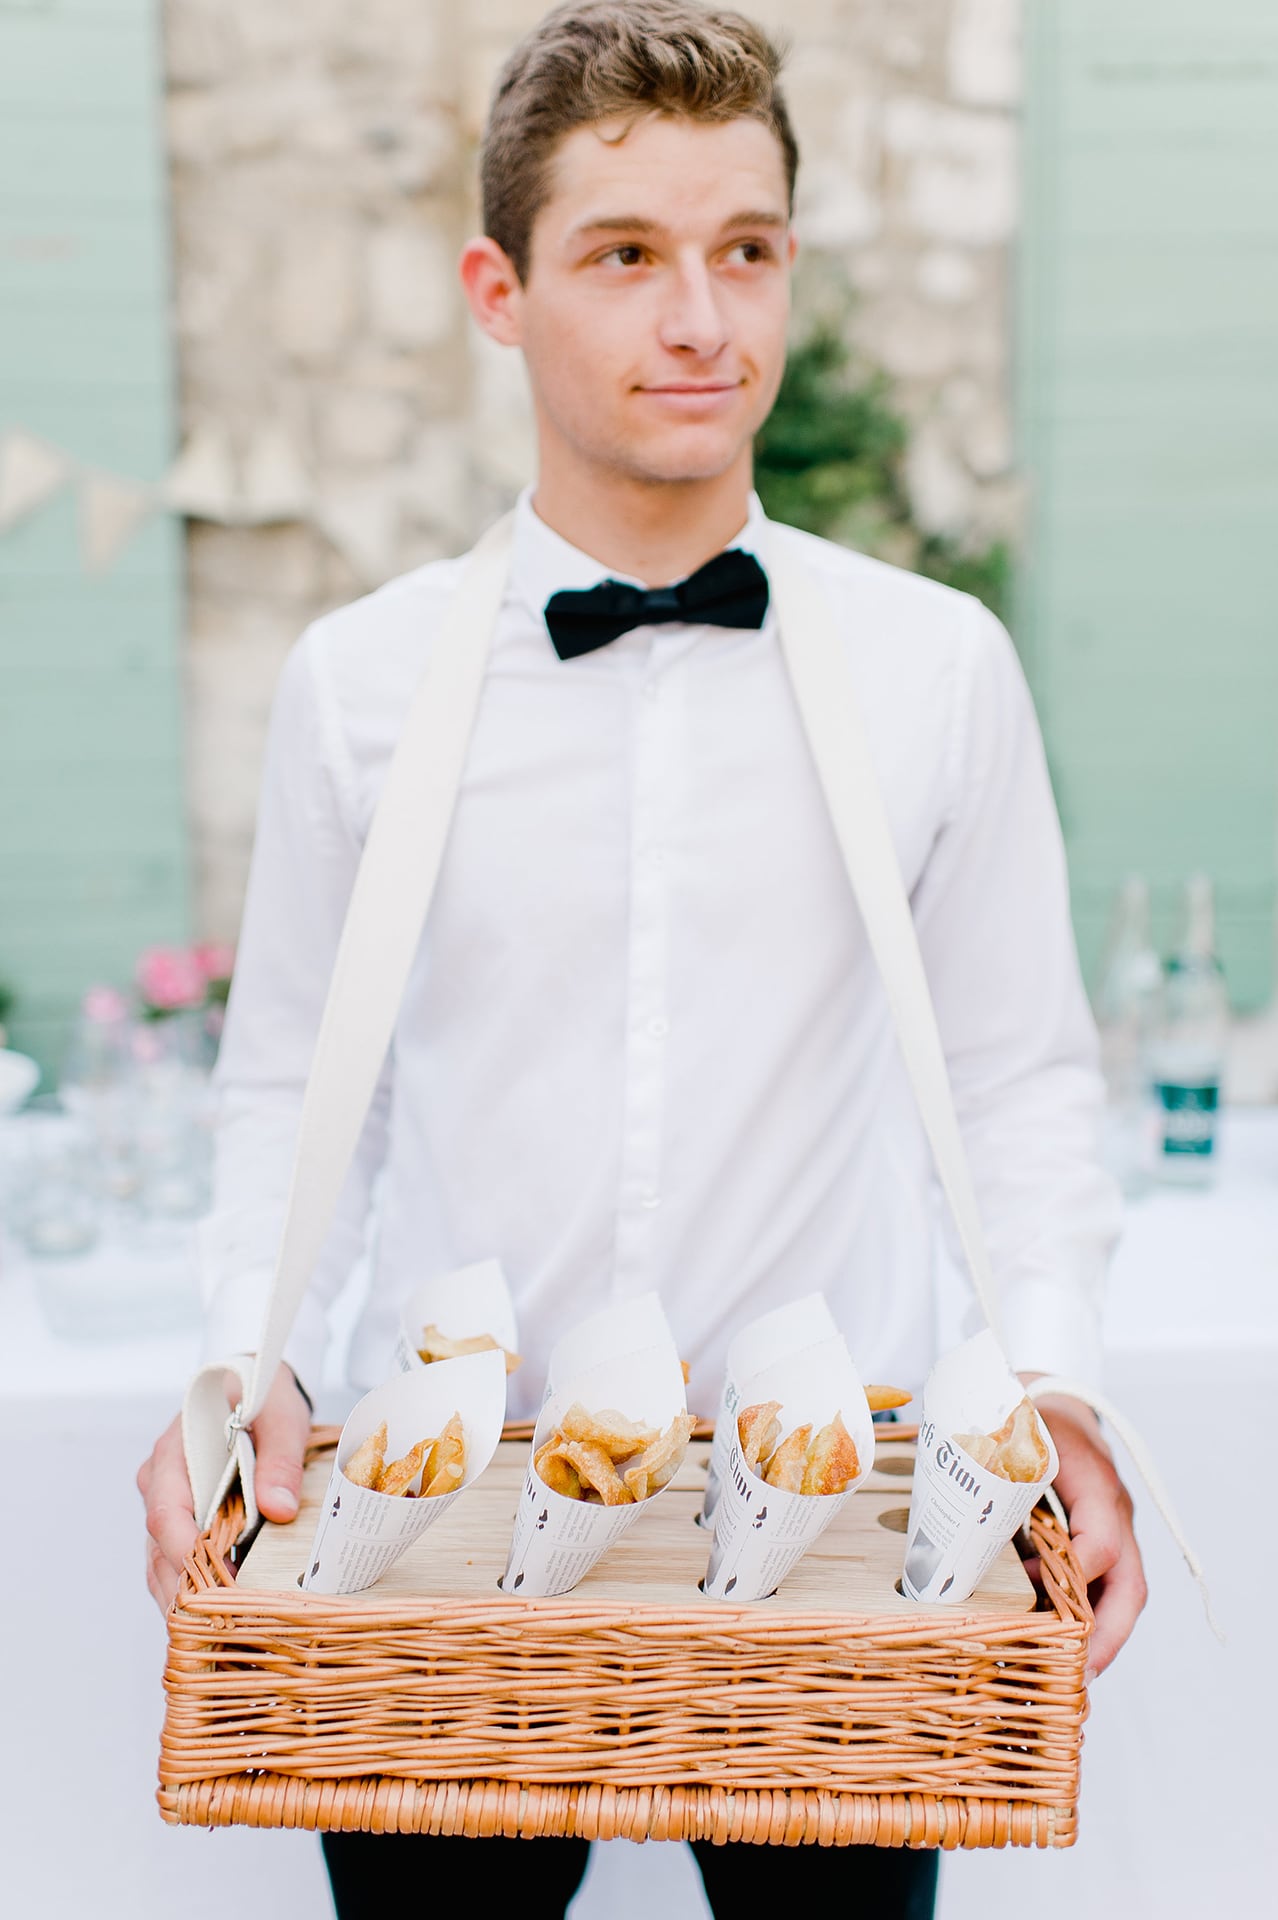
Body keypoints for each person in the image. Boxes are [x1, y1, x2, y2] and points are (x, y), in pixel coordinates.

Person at [139, 4, 1146, 1914]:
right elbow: (290, 1087)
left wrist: (1062, 1386)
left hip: (844, 1536)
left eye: (743, 250)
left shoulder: (935, 667)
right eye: (626, 256)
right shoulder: (354, 686)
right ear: (499, 292)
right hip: (435, 1525)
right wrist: (237, 1357)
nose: (703, 319)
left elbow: (1017, 1076)